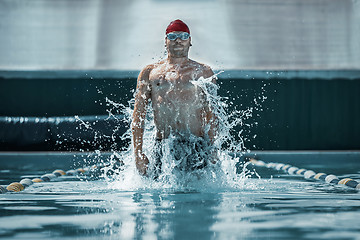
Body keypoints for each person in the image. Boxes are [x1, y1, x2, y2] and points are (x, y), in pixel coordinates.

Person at [131, 19, 218, 176]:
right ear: (165, 41)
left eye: (183, 36)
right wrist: (138, 153)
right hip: (163, 145)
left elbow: (211, 115)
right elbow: (138, 115)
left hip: (195, 145)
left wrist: (213, 149)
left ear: (190, 41)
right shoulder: (150, 72)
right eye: (172, 36)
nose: (178, 40)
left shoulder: (203, 72)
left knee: (198, 196)